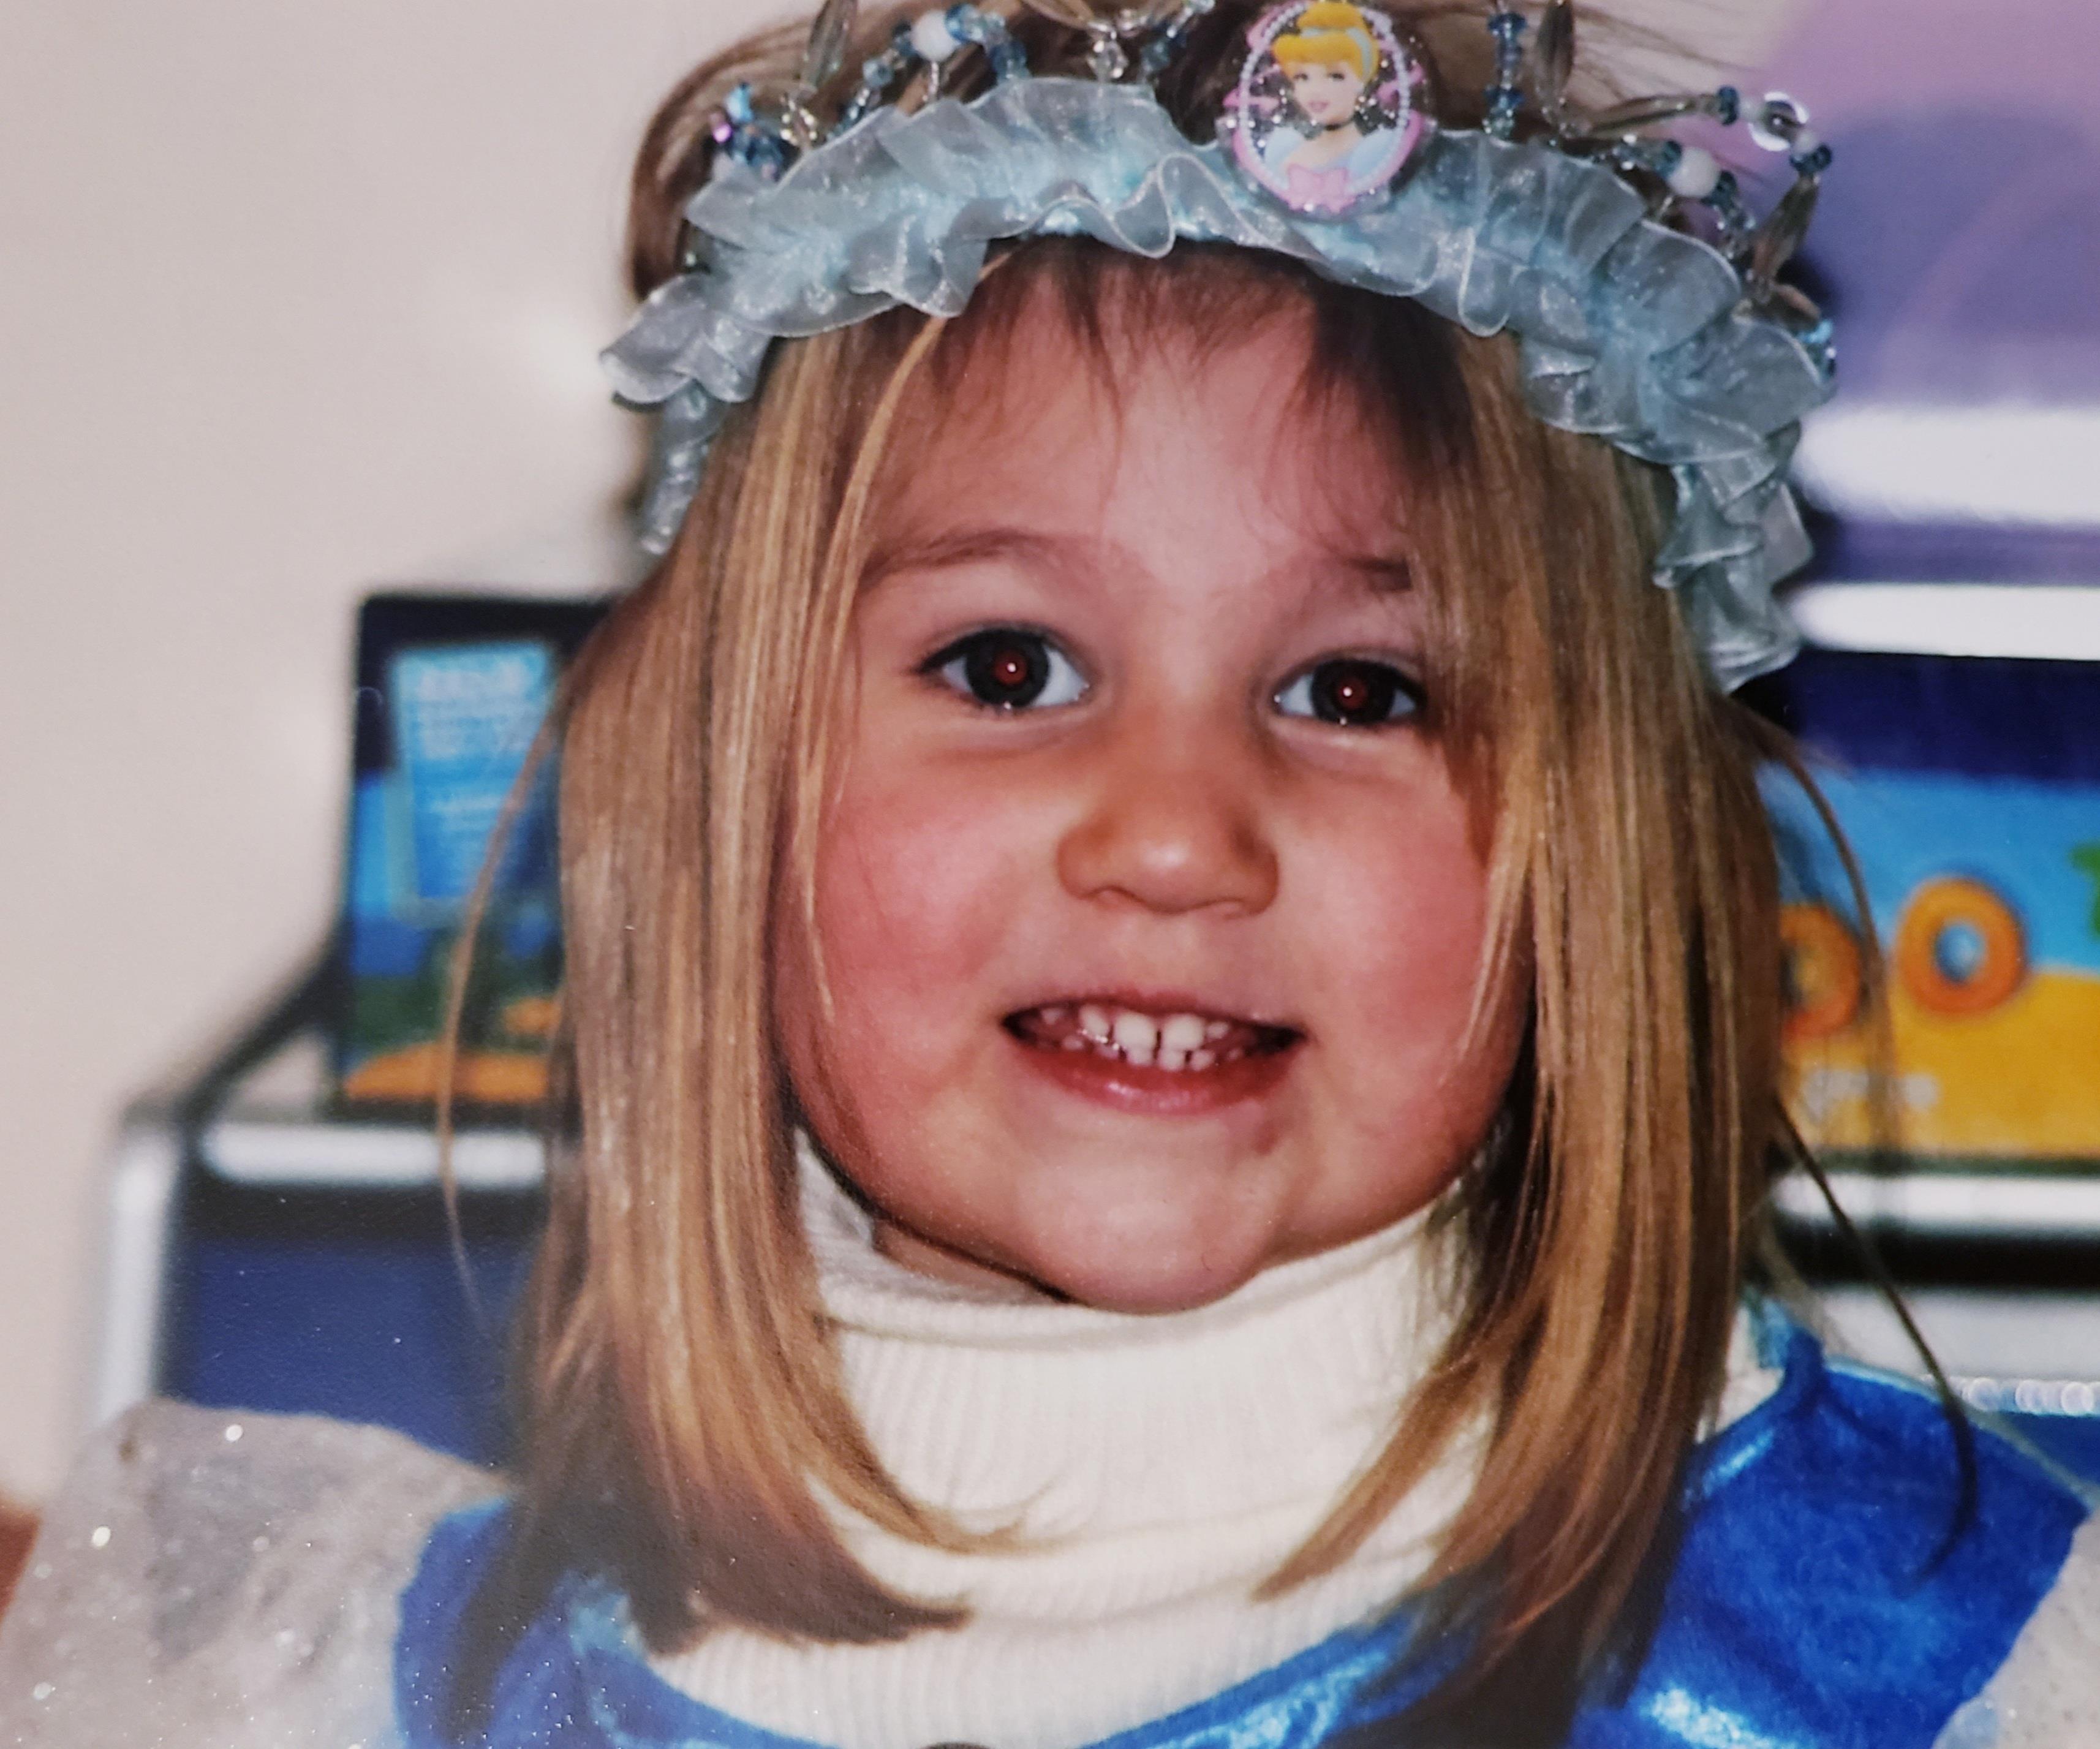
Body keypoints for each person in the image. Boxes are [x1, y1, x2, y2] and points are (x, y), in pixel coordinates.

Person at [2, 2, 2094, 1745]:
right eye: (1008, 666)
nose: (1176, 834)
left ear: (1600, 862)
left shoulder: (1955, 1660)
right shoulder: (313, 1688)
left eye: (1359, 690)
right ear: (724, 791)